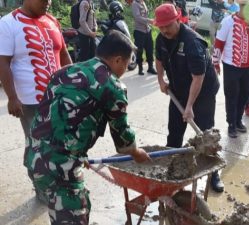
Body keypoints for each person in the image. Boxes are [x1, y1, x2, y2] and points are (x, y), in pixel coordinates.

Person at [25, 31, 151, 224]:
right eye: (127, 63)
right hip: (60, 167)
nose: (126, 69)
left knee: (69, 206)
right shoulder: (112, 86)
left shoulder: (65, 71)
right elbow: (123, 140)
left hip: (35, 158)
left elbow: (55, 120)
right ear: (118, 60)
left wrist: (78, 153)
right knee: (74, 216)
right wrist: (136, 152)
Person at [0, 0, 72, 200]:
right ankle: (42, 187)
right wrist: (12, 98)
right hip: (30, 101)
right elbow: (3, 62)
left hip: (58, 96)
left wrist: (75, 84)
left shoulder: (52, 21)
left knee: (59, 141)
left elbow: (64, 54)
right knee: (38, 146)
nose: (48, 2)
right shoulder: (8, 23)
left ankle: (57, 180)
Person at [153, 4, 223, 192]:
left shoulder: (192, 42)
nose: (164, 30)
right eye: (161, 27)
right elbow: (158, 59)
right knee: (174, 133)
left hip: (203, 93)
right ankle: (170, 171)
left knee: (205, 133)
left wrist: (190, 106)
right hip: (178, 91)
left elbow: (198, 77)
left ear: (178, 19)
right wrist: (161, 80)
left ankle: (213, 174)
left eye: (168, 25)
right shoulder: (161, 39)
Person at [212, 0, 249, 138]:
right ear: (240, 8)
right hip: (231, 66)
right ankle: (231, 123)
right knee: (232, 95)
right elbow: (219, 43)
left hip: (248, 66)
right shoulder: (227, 22)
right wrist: (215, 63)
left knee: (244, 94)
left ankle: (238, 121)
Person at [131, 0, 157, 75]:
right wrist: (149, 21)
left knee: (150, 49)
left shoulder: (143, 2)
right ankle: (140, 68)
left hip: (147, 30)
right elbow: (138, 17)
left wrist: (149, 22)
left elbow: (145, 15)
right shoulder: (134, 4)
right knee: (139, 51)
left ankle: (150, 67)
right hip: (139, 31)